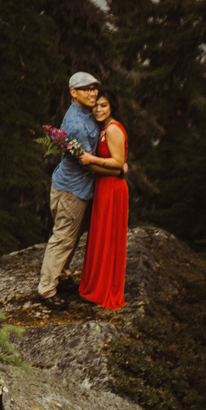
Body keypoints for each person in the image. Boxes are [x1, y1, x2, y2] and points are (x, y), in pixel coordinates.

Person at [35, 71, 104, 307]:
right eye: (86, 89)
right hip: (72, 189)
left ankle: (62, 276)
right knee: (64, 236)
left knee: (72, 236)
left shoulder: (87, 113)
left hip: (79, 187)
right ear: (74, 93)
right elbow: (89, 161)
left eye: (94, 88)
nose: (92, 93)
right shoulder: (76, 122)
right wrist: (116, 168)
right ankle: (46, 289)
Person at [77, 88, 130, 310]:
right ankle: (97, 285)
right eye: (96, 105)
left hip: (113, 189)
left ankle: (105, 289)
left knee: (108, 236)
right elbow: (121, 166)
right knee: (100, 235)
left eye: (104, 105)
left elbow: (119, 162)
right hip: (105, 185)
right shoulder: (104, 128)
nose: (98, 109)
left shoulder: (113, 129)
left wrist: (92, 158)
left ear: (112, 107)